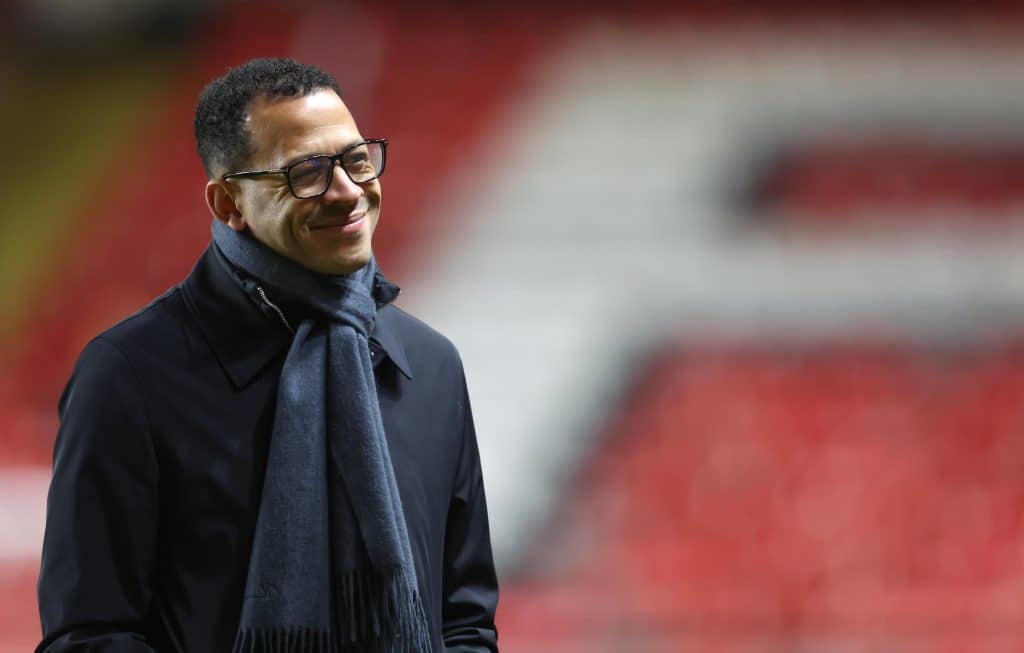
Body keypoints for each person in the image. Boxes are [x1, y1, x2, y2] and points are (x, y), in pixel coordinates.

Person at [36, 57, 499, 653]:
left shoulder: (432, 366)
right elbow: (91, 634)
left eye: (357, 159)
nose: (348, 191)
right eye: (307, 173)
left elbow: (465, 620)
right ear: (229, 204)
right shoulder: (129, 374)